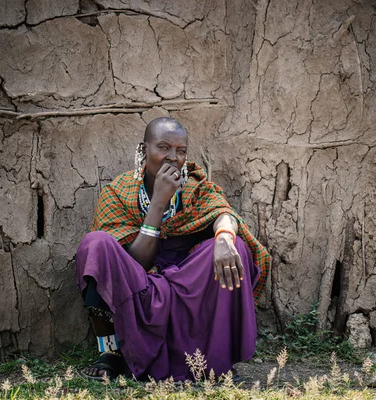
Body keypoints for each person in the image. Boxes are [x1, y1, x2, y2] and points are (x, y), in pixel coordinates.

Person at [76, 117, 270, 381]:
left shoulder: (195, 188)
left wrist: (224, 238)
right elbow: (134, 265)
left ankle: (209, 358)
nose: (172, 158)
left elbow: (223, 212)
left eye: (180, 151)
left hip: (186, 286)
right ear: (144, 151)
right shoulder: (118, 192)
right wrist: (158, 202)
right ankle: (112, 353)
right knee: (95, 244)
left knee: (234, 245)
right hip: (138, 284)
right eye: (163, 147)